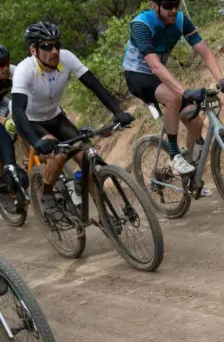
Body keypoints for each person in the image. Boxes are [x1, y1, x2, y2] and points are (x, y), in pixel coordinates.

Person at [11, 21, 134, 219]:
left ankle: (104, 215)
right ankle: (47, 194)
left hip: (56, 116)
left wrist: (117, 111)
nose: (54, 51)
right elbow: (17, 110)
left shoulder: (66, 58)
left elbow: (94, 84)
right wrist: (36, 142)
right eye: (46, 46)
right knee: (58, 155)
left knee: (86, 158)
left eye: (56, 45)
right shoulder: (24, 70)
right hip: (32, 121)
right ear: (33, 50)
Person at [122, 0, 224, 192]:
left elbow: (204, 51)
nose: (174, 10)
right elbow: (154, 66)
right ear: (155, 6)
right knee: (174, 97)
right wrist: (184, 91)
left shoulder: (180, 20)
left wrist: (222, 78)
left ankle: (188, 172)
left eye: (176, 4)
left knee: (196, 122)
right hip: (138, 75)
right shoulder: (141, 24)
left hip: (159, 74)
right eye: (168, 6)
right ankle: (174, 156)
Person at [0, 44, 28, 203]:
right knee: (2, 133)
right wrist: (4, 120)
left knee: (23, 122)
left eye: (6, 62)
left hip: (4, 102)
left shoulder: (14, 71)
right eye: (0, 65)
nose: (4, 68)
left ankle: (32, 159)